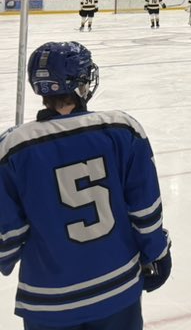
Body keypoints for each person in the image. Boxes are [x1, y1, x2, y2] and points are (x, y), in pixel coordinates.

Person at [0, 41, 172, 329]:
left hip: (48, 299)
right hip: (117, 287)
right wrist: (158, 251)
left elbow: (9, 236)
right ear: (80, 82)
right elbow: (144, 210)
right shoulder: (121, 129)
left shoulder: (13, 148)